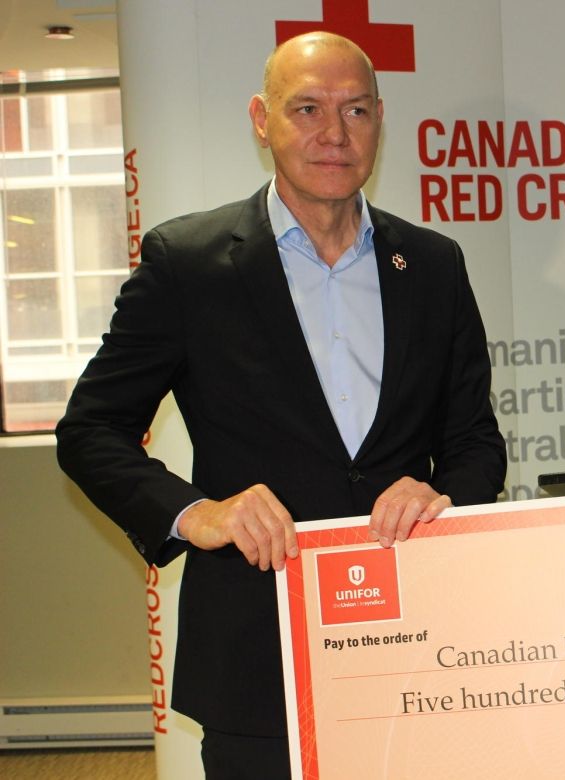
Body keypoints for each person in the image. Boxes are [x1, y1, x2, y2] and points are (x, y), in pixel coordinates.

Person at [56, 32, 505, 777]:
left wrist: (443, 493)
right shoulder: (189, 264)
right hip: (258, 661)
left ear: (381, 120)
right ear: (262, 120)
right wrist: (198, 512)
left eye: (356, 110)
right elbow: (88, 430)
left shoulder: (432, 265)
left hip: (418, 646)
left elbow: (476, 442)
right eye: (308, 109)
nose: (335, 133)